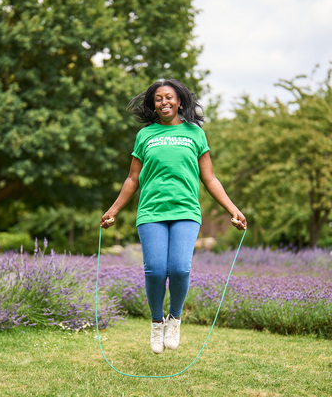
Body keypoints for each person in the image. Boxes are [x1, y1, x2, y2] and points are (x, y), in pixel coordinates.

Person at [101, 79, 246, 354]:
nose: (164, 102)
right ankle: (157, 322)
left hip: (186, 211)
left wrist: (233, 209)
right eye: (158, 98)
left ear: (180, 101)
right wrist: (113, 210)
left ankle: (174, 318)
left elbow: (210, 177)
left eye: (169, 97)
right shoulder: (145, 135)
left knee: (179, 268)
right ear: (153, 104)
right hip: (151, 212)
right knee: (155, 271)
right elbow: (133, 178)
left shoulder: (195, 133)